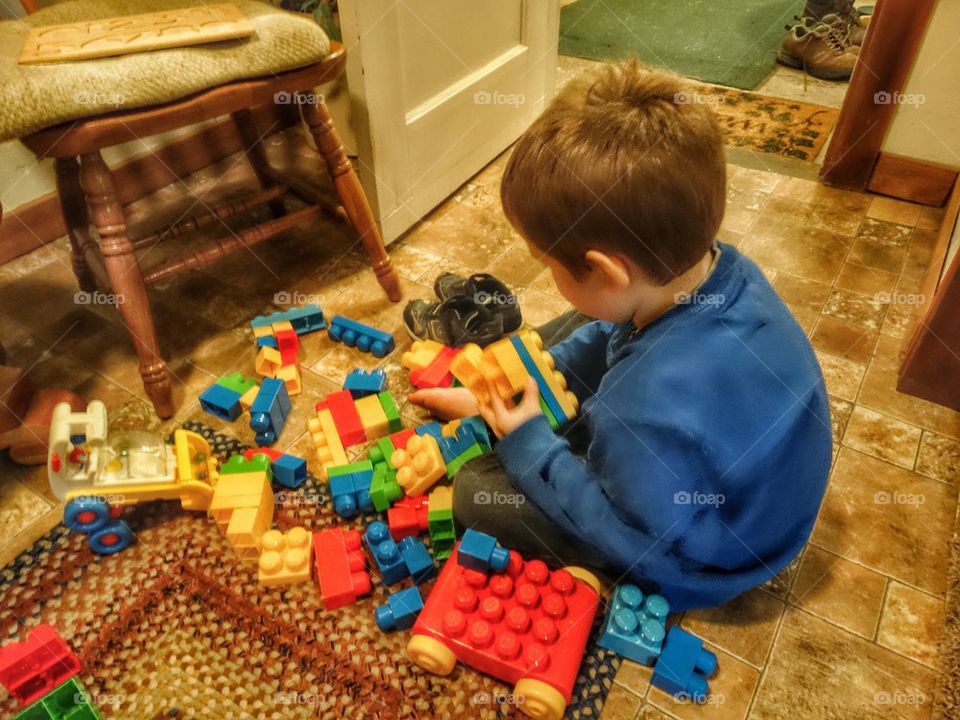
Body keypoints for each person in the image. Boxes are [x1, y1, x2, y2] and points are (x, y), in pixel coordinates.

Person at [409, 60, 832, 611]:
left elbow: (630, 531)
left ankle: (527, 428)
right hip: (743, 474)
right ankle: (514, 400)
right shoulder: (718, 270)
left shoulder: (641, 408)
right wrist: (495, 392)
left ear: (608, 270)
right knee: (586, 324)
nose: (546, 276)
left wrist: (528, 441)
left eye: (549, 265)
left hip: (699, 553)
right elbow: (611, 329)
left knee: (475, 492)